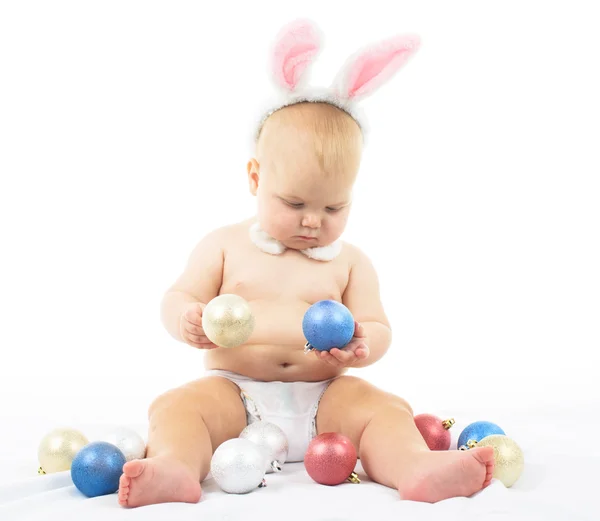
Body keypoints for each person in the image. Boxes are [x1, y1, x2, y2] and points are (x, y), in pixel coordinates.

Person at [118, 19, 494, 508]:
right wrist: (186, 319)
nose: (313, 222)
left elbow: (378, 326)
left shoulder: (351, 262)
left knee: (382, 408)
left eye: (333, 208)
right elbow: (179, 296)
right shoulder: (225, 245)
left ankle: (415, 468)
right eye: (294, 204)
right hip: (235, 393)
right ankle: (175, 468)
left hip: (324, 396)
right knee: (176, 407)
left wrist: (363, 344)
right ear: (255, 178)